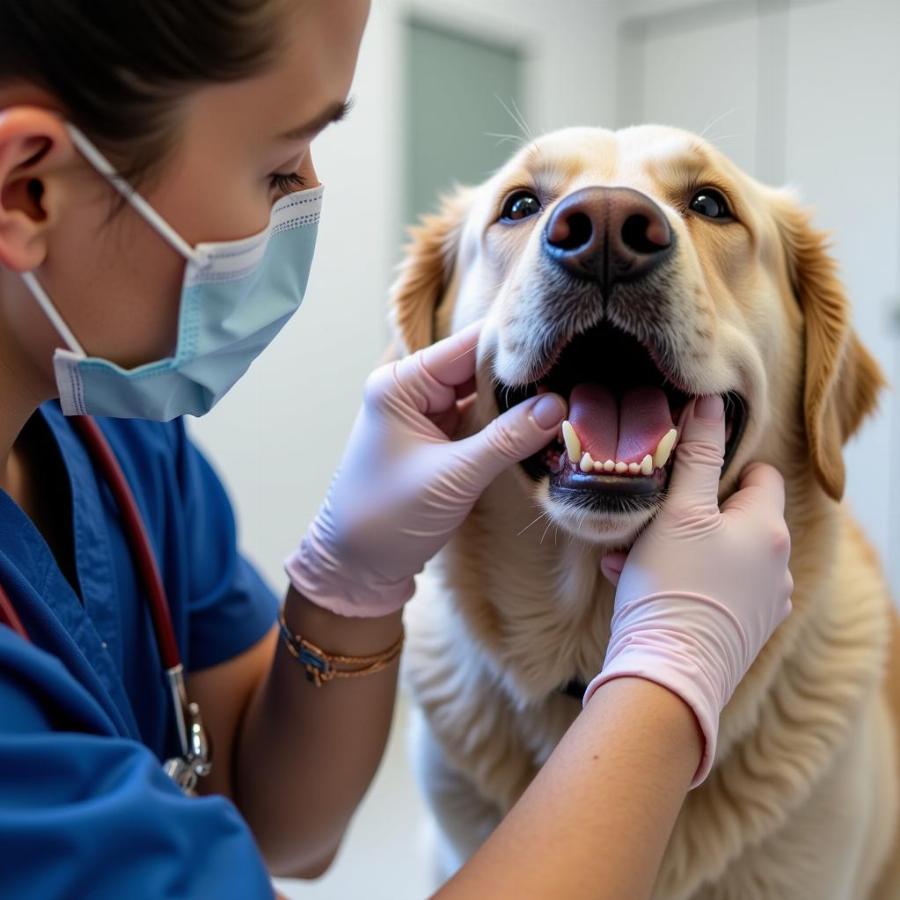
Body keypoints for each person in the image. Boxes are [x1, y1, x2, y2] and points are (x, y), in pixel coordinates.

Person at [0, 2, 792, 898]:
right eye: (277, 162)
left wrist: (349, 586)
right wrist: (671, 675)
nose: (306, 197)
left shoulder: (130, 454)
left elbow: (284, 826)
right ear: (29, 190)